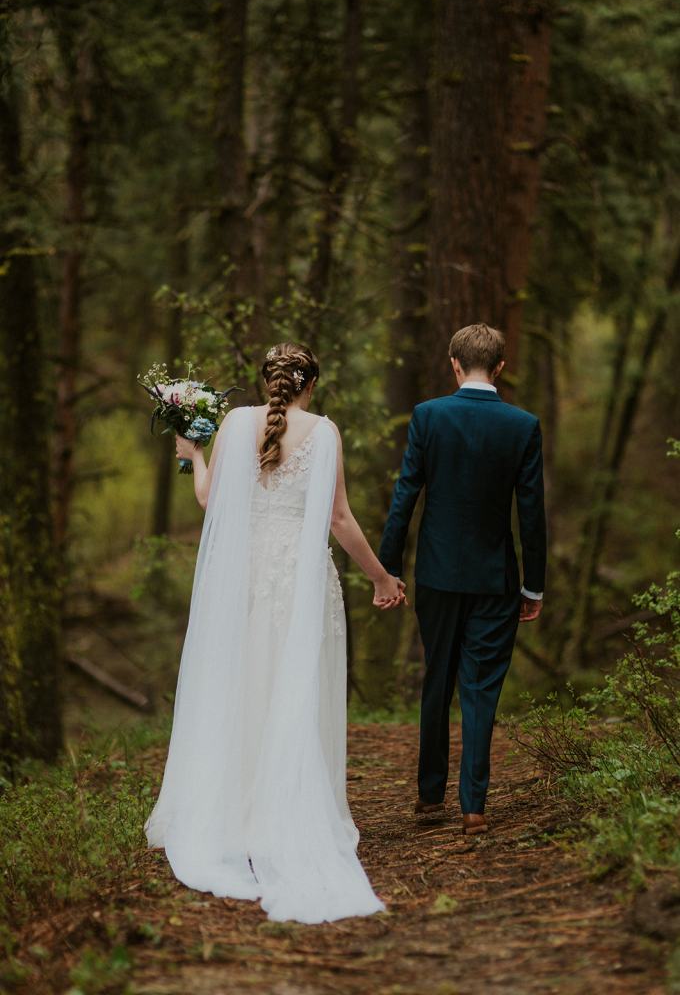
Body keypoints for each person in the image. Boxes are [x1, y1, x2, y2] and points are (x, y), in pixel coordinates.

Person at [145, 342, 404, 924]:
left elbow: (209, 499)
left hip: (244, 576)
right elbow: (338, 518)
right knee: (291, 688)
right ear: (311, 384)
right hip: (299, 579)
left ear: (267, 380)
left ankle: (234, 813)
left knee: (243, 684)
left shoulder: (235, 424)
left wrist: (193, 455)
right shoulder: (325, 432)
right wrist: (381, 577)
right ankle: (285, 808)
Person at [379, 323, 546, 835]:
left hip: (436, 574)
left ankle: (430, 796)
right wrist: (534, 585)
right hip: (495, 579)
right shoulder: (523, 425)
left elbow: (406, 495)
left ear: (454, 363)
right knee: (480, 689)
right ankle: (474, 806)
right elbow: (531, 512)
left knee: (438, 678)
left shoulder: (429, 416)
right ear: (500, 367)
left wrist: (388, 568)